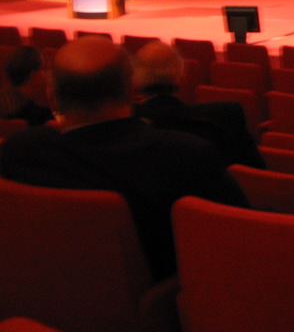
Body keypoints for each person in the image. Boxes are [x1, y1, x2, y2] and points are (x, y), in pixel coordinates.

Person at [0, 36, 248, 280]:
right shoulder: (186, 156)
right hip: (157, 309)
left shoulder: (20, 152)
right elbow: (241, 237)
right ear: (132, 90)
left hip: (37, 304)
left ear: (53, 96)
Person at [132, 41, 264, 169]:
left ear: (135, 79)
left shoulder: (126, 123)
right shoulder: (225, 116)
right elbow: (254, 171)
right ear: (181, 77)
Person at [0, 45, 53, 125]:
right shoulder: (39, 115)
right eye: (42, 69)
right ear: (31, 74)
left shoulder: (5, 103)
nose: (44, 74)